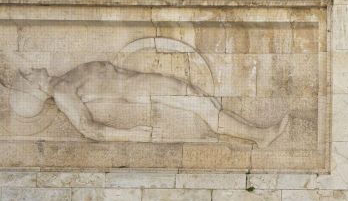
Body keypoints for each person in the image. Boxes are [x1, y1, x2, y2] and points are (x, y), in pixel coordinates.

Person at [8, 63, 288, 147]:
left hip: (138, 83)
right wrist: (130, 134)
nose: (30, 69)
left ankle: (256, 134)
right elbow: (88, 128)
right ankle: (259, 136)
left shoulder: (62, 82)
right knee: (201, 103)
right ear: (34, 88)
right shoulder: (61, 89)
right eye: (27, 75)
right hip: (138, 88)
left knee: (203, 102)